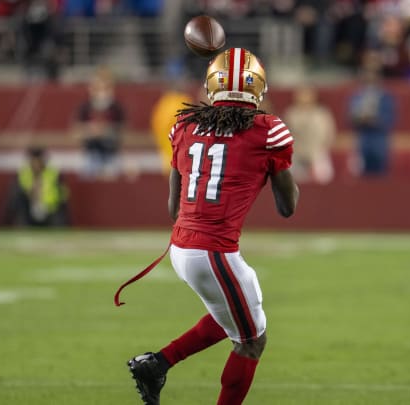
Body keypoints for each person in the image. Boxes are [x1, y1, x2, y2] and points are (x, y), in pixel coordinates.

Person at [126, 47, 299, 405]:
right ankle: (159, 365)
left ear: (211, 86)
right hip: (214, 251)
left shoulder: (184, 123)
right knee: (251, 340)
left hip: (181, 247)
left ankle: (157, 364)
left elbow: (174, 208)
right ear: (258, 88)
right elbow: (287, 207)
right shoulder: (268, 130)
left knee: (240, 314)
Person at [349, 53, 396, 175]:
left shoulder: (385, 97)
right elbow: (350, 118)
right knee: (361, 175)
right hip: (362, 139)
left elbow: (389, 119)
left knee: (380, 176)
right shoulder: (357, 96)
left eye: (373, 73)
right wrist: (360, 119)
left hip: (379, 140)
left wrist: (374, 120)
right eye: (367, 72)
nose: (370, 76)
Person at [75, 67, 126, 179]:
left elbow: (123, 132)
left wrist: (107, 131)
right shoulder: (85, 108)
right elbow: (76, 133)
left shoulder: (116, 108)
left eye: (105, 87)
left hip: (112, 152)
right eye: (98, 87)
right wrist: (90, 131)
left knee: (114, 178)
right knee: (88, 175)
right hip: (91, 153)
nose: (102, 91)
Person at [283, 85, 336, 184]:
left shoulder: (322, 114)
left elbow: (329, 135)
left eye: (307, 96)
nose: (304, 99)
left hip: (318, 153)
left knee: (324, 178)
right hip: (296, 155)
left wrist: (319, 151)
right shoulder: (291, 114)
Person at [6, 146, 69, 227]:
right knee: (19, 214)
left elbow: (63, 195)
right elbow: (14, 197)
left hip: (50, 211)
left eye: (39, 161)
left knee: (59, 217)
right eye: (34, 161)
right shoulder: (23, 174)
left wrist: (50, 201)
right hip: (28, 210)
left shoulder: (54, 174)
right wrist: (28, 193)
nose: (36, 164)